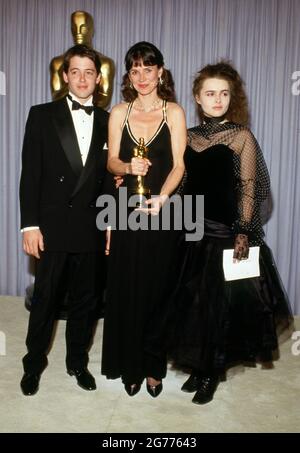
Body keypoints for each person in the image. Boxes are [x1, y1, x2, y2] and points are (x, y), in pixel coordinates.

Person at [169, 61, 293, 405]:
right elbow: (182, 184)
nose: (217, 99)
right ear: (198, 97)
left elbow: (250, 187)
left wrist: (243, 230)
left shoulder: (241, 136)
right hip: (191, 231)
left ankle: (211, 372)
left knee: (219, 306)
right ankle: (198, 365)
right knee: (193, 304)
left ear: (231, 97)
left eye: (224, 94)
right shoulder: (188, 136)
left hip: (225, 232)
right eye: (210, 93)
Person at [19, 44, 109, 395]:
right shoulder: (41, 115)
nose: (83, 78)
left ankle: (77, 362)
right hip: (52, 226)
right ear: (65, 76)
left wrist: (110, 225)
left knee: (86, 302)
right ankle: (33, 365)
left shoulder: (108, 120)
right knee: (46, 300)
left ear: (98, 78)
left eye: (89, 72)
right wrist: (29, 225)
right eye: (76, 72)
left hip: (90, 226)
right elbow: (31, 175)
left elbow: (107, 182)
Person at [101, 41, 186, 397]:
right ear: (128, 74)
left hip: (163, 212)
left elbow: (180, 164)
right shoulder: (119, 112)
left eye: (147, 69)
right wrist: (126, 165)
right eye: (134, 70)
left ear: (160, 72)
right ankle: (130, 366)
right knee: (128, 288)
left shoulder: (174, 113)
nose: (141, 77)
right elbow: (111, 164)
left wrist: (163, 199)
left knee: (157, 289)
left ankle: (153, 367)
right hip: (125, 211)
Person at [50, 10, 115, 109]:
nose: (78, 32)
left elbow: (105, 99)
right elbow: (56, 96)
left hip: (97, 118)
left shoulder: (105, 63)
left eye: (83, 28)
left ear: (91, 30)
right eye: (74, 28)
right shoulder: (57, 63)